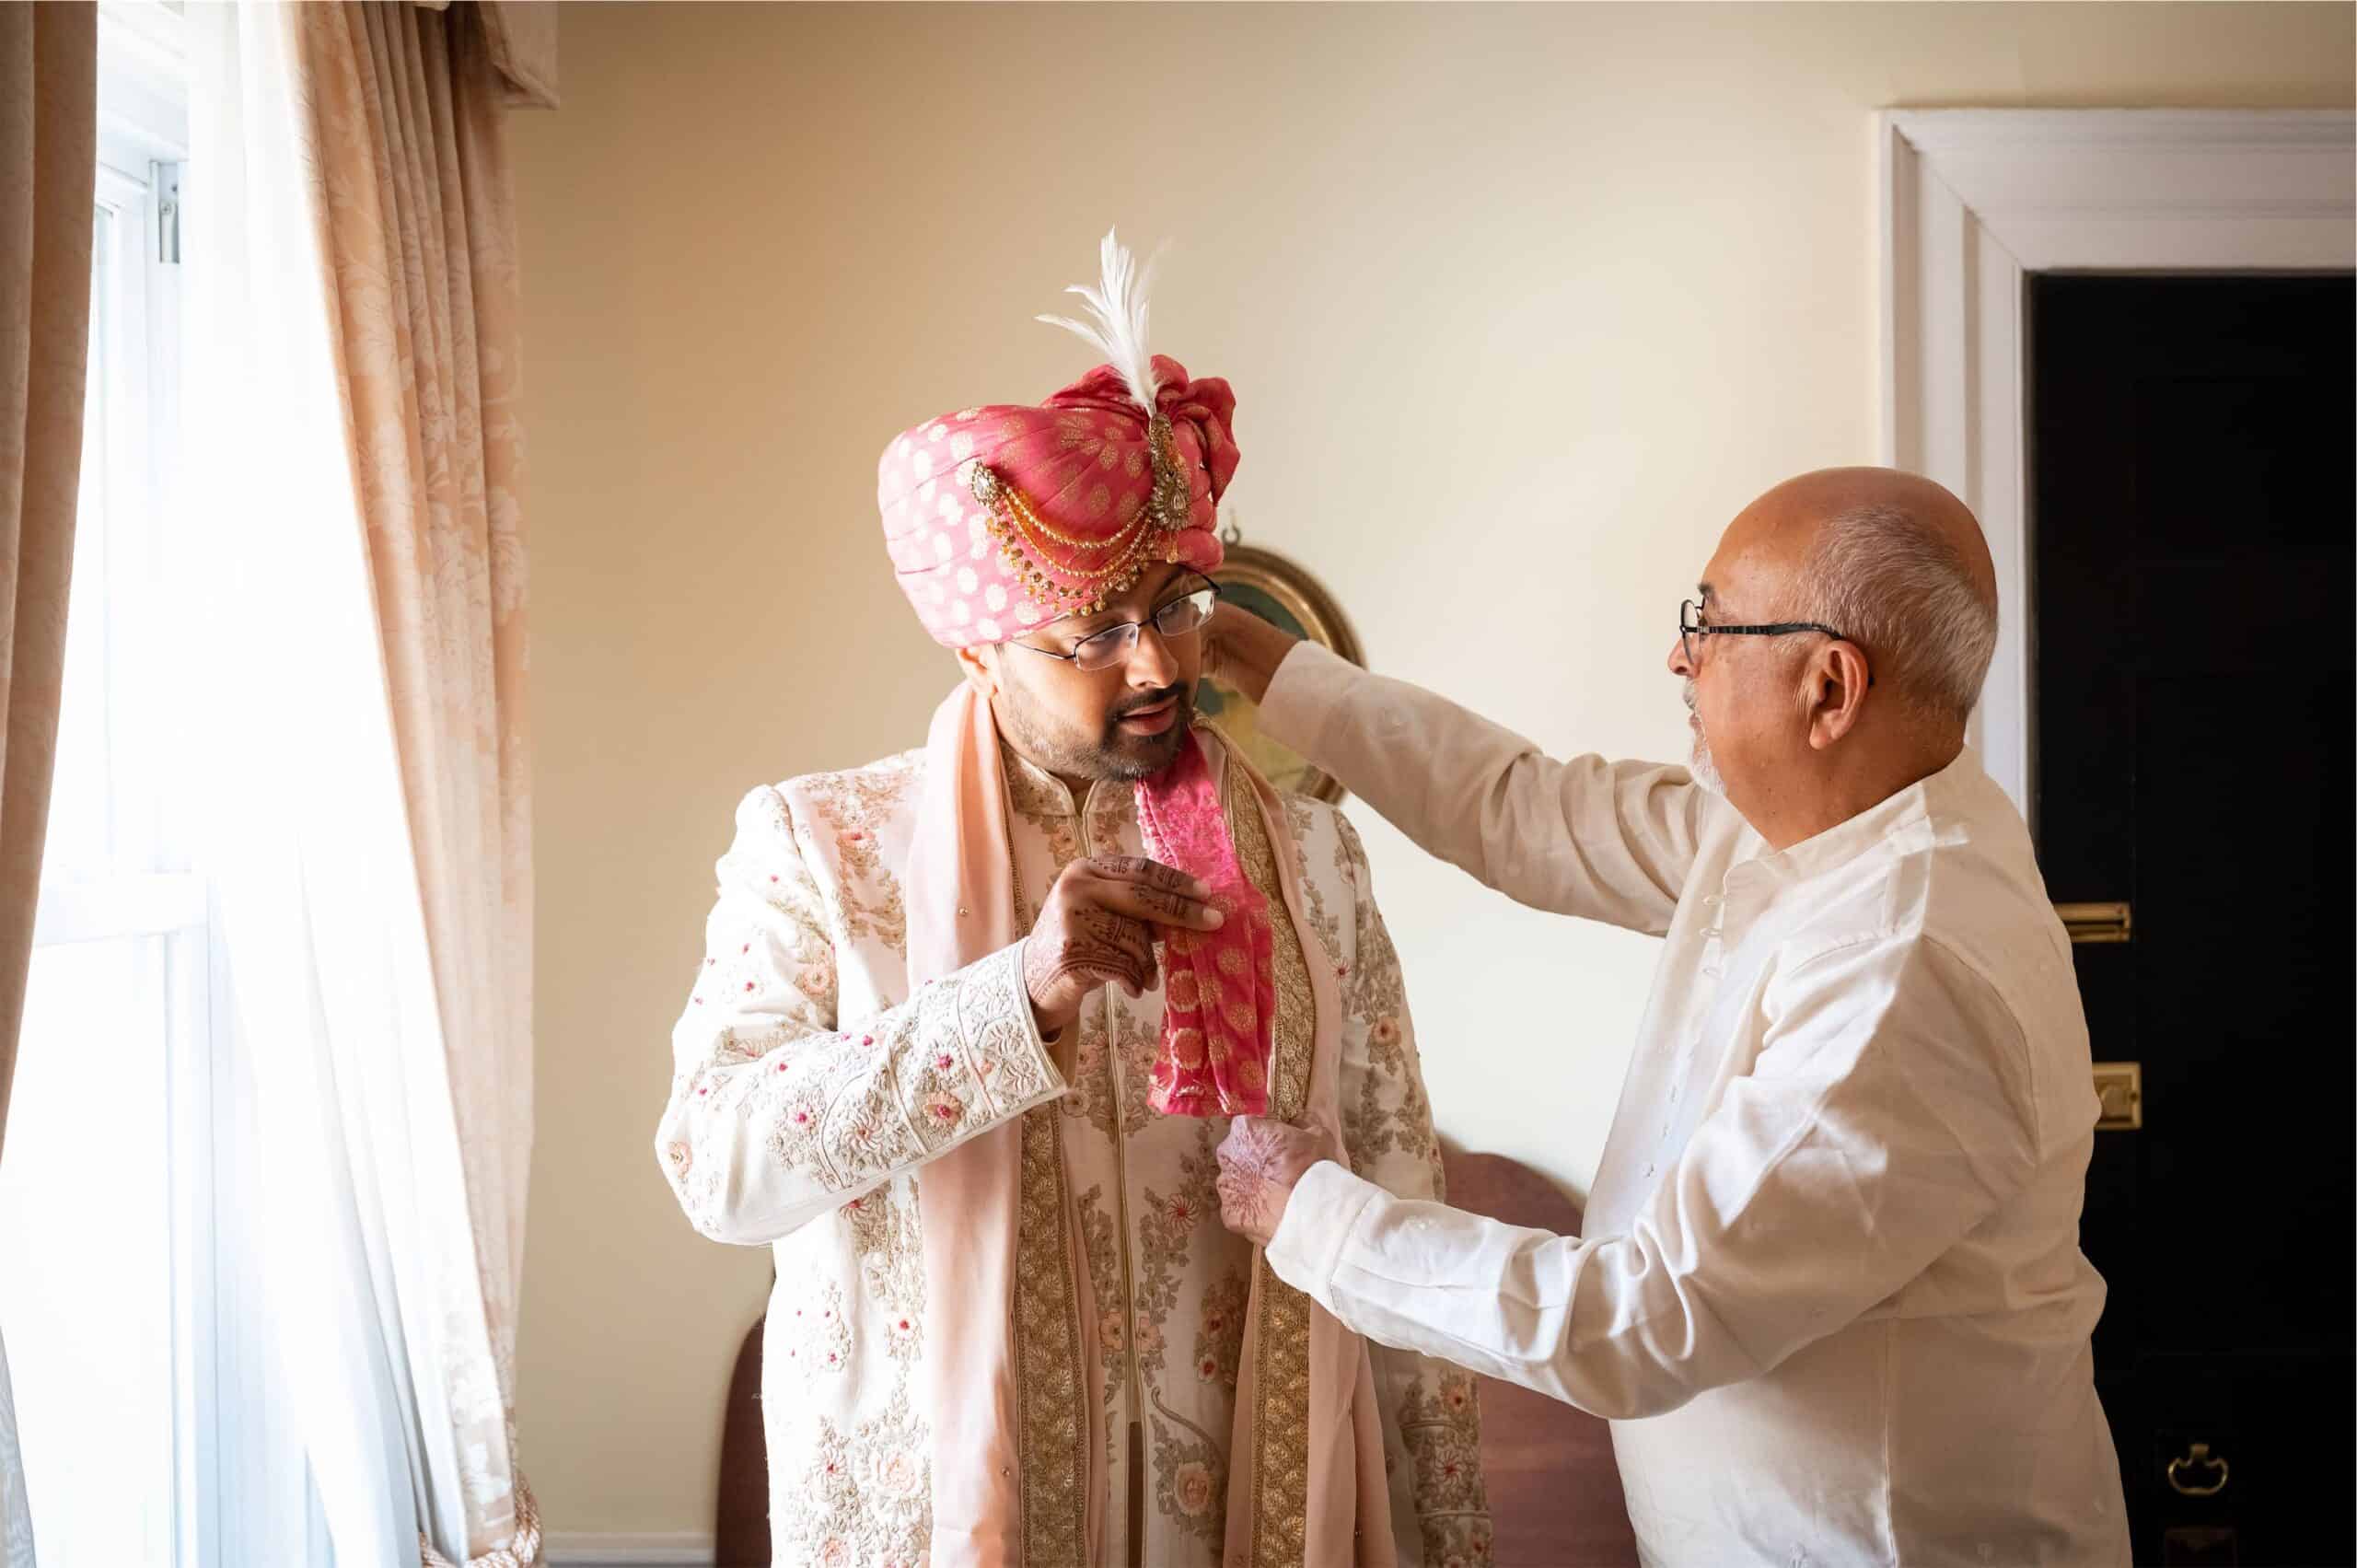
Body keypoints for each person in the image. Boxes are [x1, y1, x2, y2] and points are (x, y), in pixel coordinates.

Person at [654, 235, 1489, 1568]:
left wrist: (1446, 1540)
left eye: (1174, 605)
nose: (1156, 661)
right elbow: (717, 1162)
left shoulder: (1314, 860)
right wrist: (1008, 1003)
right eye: (1091, 632)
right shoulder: (824, 845)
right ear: (980, 644)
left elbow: (1402, 1196)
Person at [1208, 467, 2131, 1565]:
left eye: (1710, 621)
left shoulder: (1905, 964)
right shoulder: (1806, 820)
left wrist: (1312, 1215)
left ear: (1829, 690)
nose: (1679, 656)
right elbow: (1521, 808)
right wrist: (1255, 657)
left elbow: (1642, 1318)